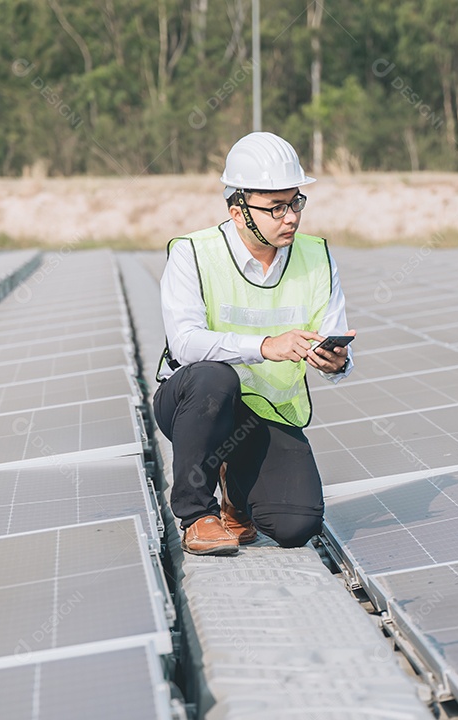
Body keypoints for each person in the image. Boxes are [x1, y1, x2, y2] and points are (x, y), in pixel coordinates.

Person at [153, 131, 355, 556]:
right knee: (213, 379)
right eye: (276, 208)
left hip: (263, 411)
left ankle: (234, 490)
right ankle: (196, 515)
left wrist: (335, 362)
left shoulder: (317, 257)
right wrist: (266, 346)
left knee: (295, 525)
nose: (292, 218)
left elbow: (333, 334)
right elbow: (186, 344)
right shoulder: (193, 253)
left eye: (296, 202)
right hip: (197, 404)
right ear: (238, 210)